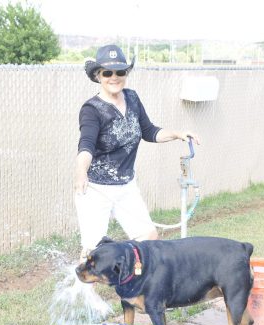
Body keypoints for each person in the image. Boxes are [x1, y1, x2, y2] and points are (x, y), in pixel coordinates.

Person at [74, 44, 200, 260]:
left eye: (120, 71)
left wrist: (178, 134)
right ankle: (84, 293)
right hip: (96, 189)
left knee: (149, 238)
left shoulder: (132, 98)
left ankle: (141, 288)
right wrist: (81, 172)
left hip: (126, 187)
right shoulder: (92, 109)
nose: (114, 77)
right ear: (98, 75)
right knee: (92, 253)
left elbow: (149, 131)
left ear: (126, 73)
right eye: (108, 72)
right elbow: (86, 145)